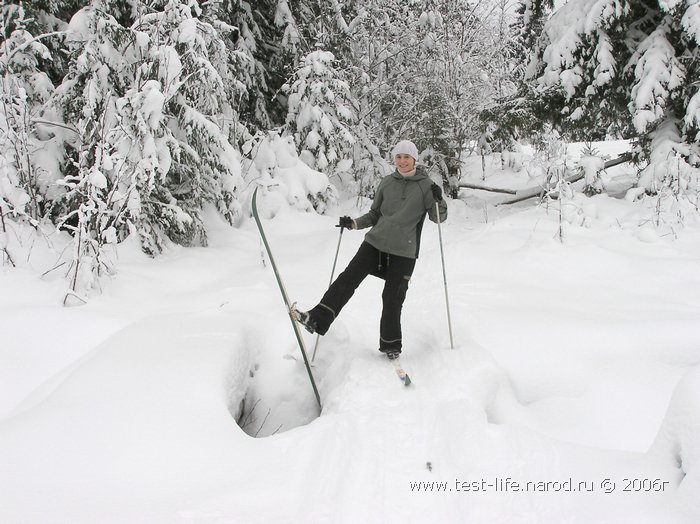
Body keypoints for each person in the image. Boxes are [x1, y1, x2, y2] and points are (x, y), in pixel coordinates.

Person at [293, 139, 447, 359]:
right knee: (347, 279)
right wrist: (354, 223)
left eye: (407, 157)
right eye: (399, 157)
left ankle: (391, 345)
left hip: (404, 252)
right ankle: (317, 319)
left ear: (415, 159)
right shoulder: (387, 182)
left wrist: (438, 199)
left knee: (392, 297)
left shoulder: (425, 186)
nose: (402, 161)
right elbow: (375, 214)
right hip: (375, 243)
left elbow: (438, 217)